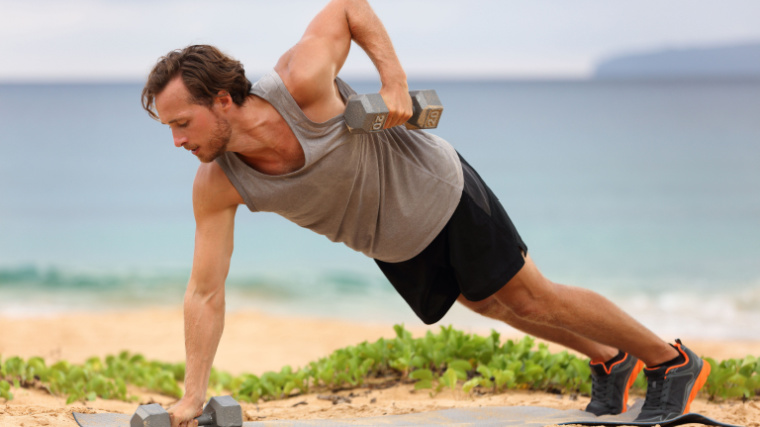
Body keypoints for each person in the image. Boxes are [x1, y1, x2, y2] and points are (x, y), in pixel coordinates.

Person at [140, 1, 710, 426]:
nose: (176, 142)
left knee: (532, 295)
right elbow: (205, 292)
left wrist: (394, 82)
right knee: (489, 303)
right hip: (394, 241)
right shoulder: (219, 184)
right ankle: (611, 361)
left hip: (438, 189)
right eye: (168, 128)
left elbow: (347, 7)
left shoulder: (300, 83)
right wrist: (194, 392)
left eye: (181, 123)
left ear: (221, 100)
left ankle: (670, 361)